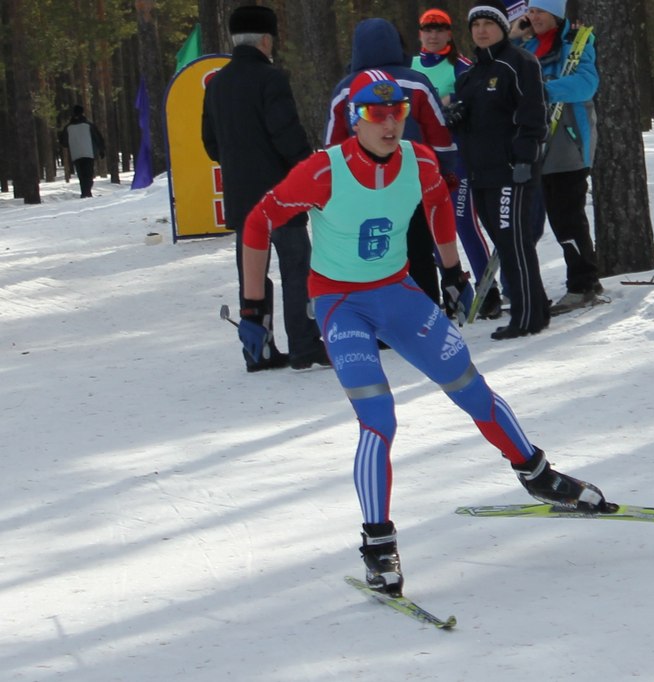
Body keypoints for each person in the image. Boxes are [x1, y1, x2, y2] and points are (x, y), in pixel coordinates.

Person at [240, 70, 610, 597]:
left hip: (398, 294)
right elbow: (259, 222)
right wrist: (256, 307)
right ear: (354, 119)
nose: (389, 123)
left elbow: (438, 202)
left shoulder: (419, 161)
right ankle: (378, 543)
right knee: (379, 418)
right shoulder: (323, 171)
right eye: (375, 113)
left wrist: (453, 271)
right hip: (340, 304)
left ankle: (538, 474)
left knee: (471, 388)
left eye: (398, 113)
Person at [202, 5, 329, 372]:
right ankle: (305, 345)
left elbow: (210, 142)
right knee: (296, 267)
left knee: (252, 273)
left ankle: (258, 349)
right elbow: (285, 133)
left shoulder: (218, 84)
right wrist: (309, 169)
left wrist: (237, 159)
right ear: (265, 39)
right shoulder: (271, 79)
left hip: (241, 196)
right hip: (280, 195)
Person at [323, 17, 456, 307]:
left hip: (364, 189)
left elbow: (333, 144)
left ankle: (383, 321)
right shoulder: (417, 82)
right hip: (413, 183)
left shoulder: (345, 90)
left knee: (375, 253)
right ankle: (426, 314)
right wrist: (446, 171)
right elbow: (439, 133)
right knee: (418, 249)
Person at [449, 0, 552, 339]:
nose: (481, 30)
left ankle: (525, 317)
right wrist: (457, 119)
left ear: (502, 29)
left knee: (514, 242)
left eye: (488, 24)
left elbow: (532, 113)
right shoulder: (470, 75)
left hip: (512, 171)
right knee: (505, 242)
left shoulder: (519, 62)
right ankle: (536, 309)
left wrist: (525, 158)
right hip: (480, 173)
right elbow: (471, 123)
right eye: (475, 26)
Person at [410, 8, 502, 320]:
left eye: (440, 30)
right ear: (420, 34)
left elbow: (473, 105)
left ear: (449, 34)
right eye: (428, 30)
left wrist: (452, 106)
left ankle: (489, 291)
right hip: (420, 162)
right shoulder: (410, 67)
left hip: (457, 159)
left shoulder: (461, 66)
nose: (433, 36)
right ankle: (454, 287)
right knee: (432, 228)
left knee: (463, 222)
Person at [515, 0, 603, 314]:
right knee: (556, 218)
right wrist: (515, 33)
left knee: (568, 218)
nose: (532, 17)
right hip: (539, 142)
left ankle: (582, 283)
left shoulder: (576, 41)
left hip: (568, 142)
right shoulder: (528, 45)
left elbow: (585, 84)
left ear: (555, 14)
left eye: (539, 11)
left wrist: (542, 89)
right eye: (531, 11)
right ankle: (585, 279)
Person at [59, 105, 105, 198]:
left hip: (76, 154)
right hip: (88, 153)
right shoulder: (88, 125)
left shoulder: (68, 127)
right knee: (88, 174)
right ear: (83, 112)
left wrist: (72, 144)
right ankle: (87, 192)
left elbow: (63, 142)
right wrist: (101, 149)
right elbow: (97, 138)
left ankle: (85, 192)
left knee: (81, 175)